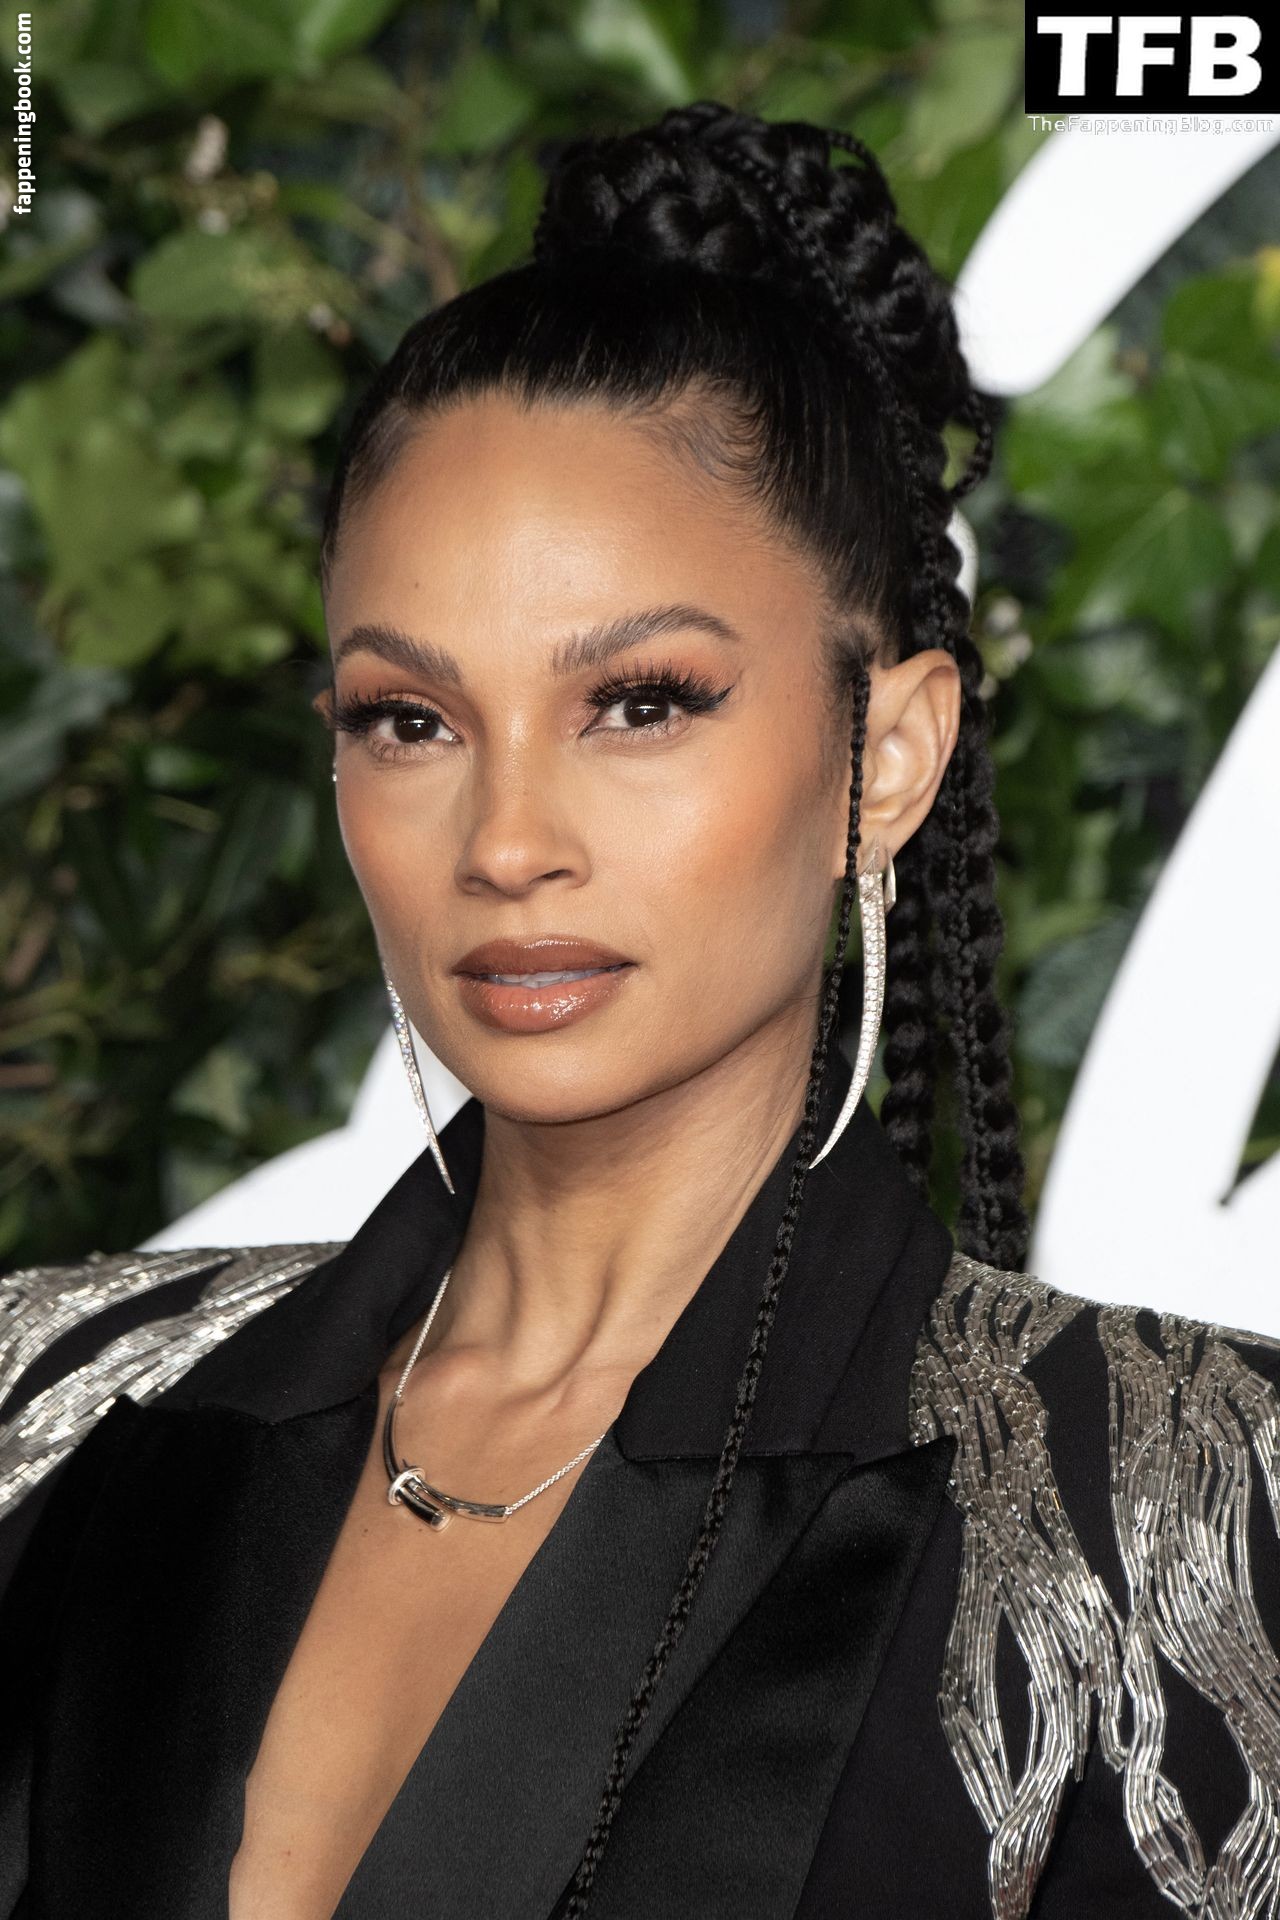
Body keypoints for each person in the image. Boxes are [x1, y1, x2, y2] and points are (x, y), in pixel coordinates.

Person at [2, 100, 1278, 1920]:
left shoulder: (1187, 1511)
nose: (508, 840)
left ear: (890, 753)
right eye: (410, 720)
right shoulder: (51, 1408)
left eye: (642, 703)